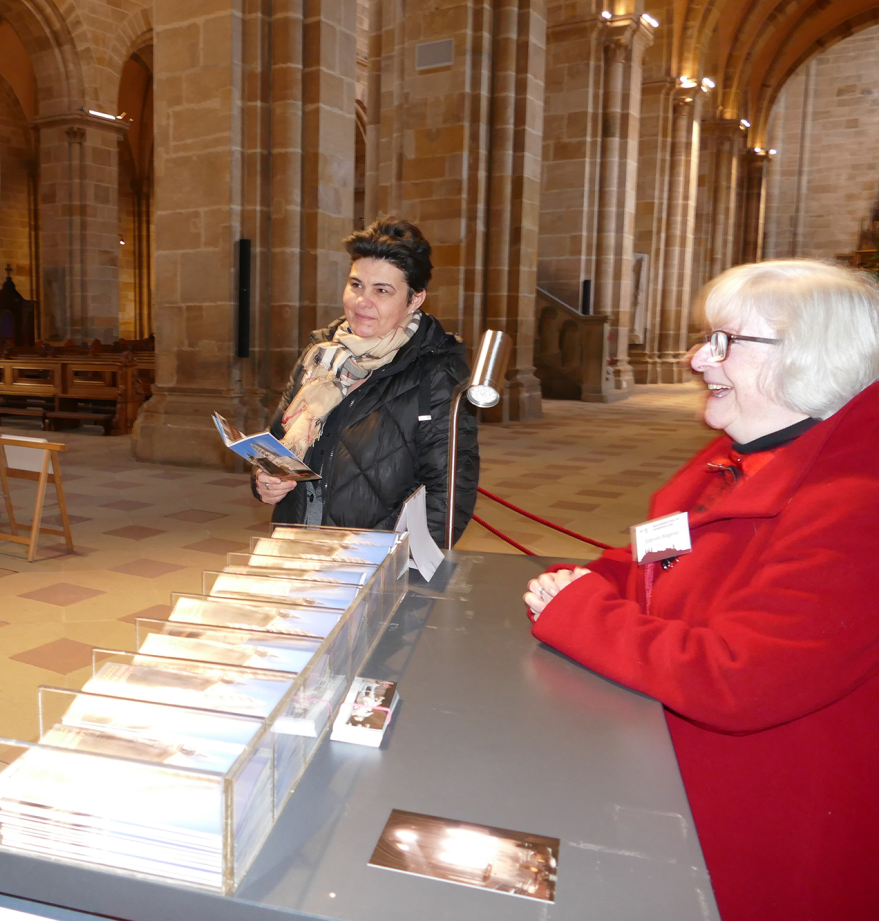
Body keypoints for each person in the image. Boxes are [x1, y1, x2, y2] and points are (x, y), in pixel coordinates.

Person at [521, 259, 879, 921]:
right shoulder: (741, 459)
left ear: (811, 359)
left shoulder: (858, 507)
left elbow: (740, 677)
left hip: (767, 825)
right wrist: (593, 583)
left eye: (724, 342)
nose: (695, 358)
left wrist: (579, 612)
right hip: (669, 777)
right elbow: (649, 560)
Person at [253, 218, 478, 545]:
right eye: (356, 285)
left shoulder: (437, 372)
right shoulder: (321, 355)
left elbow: (450, 492)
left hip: (372, 557)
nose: (362, 302)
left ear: (414, 299)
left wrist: (406, 567)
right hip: (295, 543)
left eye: (382, 290)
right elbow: (274, 443)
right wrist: (263, 480)